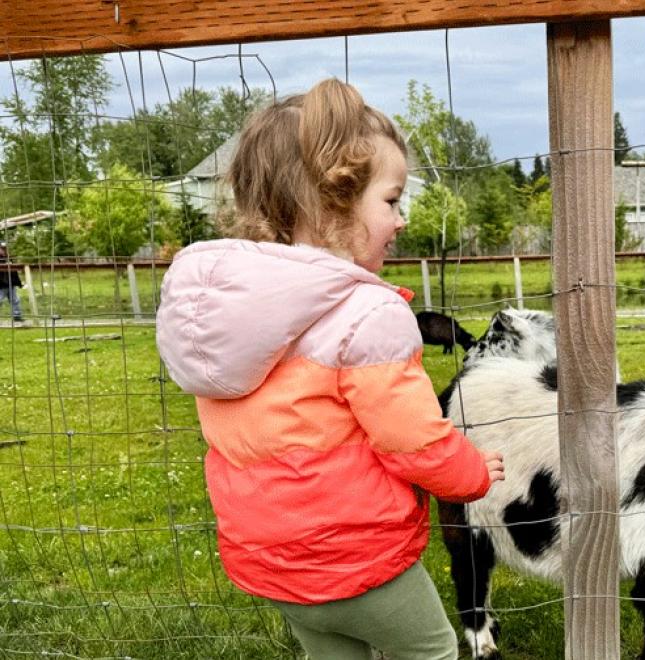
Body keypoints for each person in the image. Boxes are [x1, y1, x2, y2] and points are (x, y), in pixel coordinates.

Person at [154, 79, 504, 660]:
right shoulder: (369, 313)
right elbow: (411, 442)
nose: (400, 221)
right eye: (391, 201)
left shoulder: (227, 314)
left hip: (273, 564)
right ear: (334, 202)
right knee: (434, 652)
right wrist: (471, 473)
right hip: (358, 559)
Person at [0, 243, 23, 324]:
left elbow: (14, 272)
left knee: (15, 300)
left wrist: (18, 282)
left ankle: (17, 316)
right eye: (2, 248)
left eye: (5, 249)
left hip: (10, 283)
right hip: (1, 285)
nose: (4, 250)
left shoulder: (9, 258)